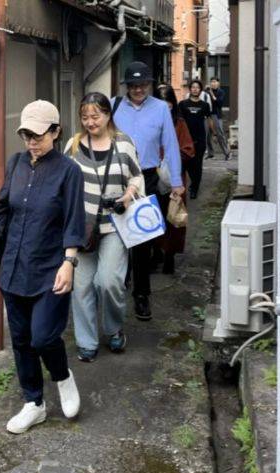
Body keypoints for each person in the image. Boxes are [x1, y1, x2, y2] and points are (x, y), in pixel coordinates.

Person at [0, 100, 84, 434]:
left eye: (38, 135)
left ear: (56, 132)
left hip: (49, 267)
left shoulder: (69, 171)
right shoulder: (16, 164)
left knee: (44, 336)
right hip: (14, 264)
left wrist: (69, 262)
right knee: (22, 339)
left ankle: (62, 375)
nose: (31, 141)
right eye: (26, 134)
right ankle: (34, 403)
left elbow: (74, 220)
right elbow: (2, 209)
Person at [64, 92, 145, 362]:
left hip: (114, 226)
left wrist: (128, 194)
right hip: (81, 228)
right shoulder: (73, 146)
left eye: (95, 116)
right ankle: (87, 342)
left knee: (109, 281)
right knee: (82, 286)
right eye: (85, 117)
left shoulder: (123, 144)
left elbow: (136, 175)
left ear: (108, 115)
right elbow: (62, 181)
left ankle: (112, 328)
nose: (90, 122)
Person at [112, 61, 185, 321]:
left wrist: (176, 182)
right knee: (115, 237)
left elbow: (171, 145)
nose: (138, 89)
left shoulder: (160, 109)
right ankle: (117, 285)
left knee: (142, 240)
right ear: (127, 86)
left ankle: (141, 296)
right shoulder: (114, 106)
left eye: (143, 84)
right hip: (116, 179)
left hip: (147, 178)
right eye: (133, 85)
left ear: (149, 85)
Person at [157, 85, 195, 274]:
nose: (166, 108)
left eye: (168, 104)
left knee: (172, 217)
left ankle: (169, 255)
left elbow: (188, 150)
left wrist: (171, 156)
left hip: (174, 178)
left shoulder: (179, 123)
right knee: (154, 215)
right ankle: (155, 252)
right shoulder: (149, 122)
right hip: (152, 176)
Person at [178, 80, 212, 199]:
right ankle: (182, 188)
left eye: (197, 87)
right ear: (189, 89)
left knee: (197, 166)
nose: (195, 89)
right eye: (193, 87)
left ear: (200, 90)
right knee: (185, 165)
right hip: (185, 141)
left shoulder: (205, 105)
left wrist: (212, 135)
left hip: (200, 140)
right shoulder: (182, 104)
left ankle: (194, 188)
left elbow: (209, 120)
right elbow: (178, 121)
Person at [206, 77, 231, 160]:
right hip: (208, 115)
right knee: (207, 134)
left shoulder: (221, 92)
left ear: (218, 83)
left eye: (214, 82)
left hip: (216, 115)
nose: (213, 83)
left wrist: (211, 93)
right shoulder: (207, 92)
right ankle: (210, 153)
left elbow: (219, 103)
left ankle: (227, 153)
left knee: (220, 134)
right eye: (211, 82)